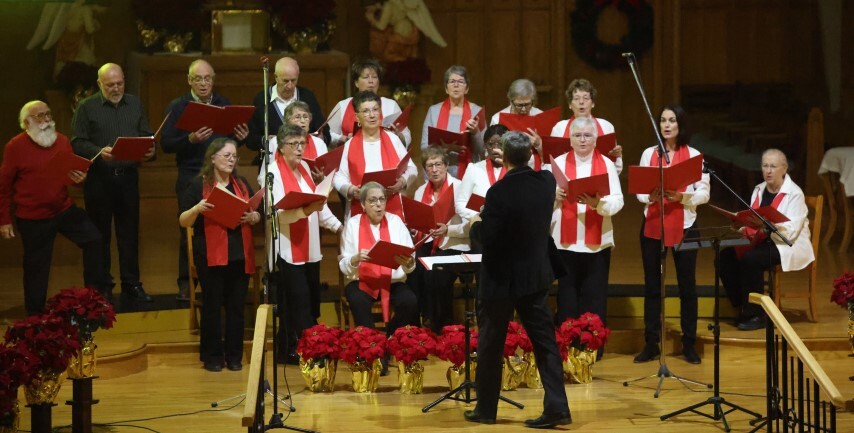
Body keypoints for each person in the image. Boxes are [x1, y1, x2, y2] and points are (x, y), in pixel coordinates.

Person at [465, 131, 571, 428]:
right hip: (535, 277)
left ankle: (486, 409)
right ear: (529, 155)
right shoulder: (546, 182)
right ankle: (558, 407)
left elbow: (488, 236)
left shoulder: (498, 192)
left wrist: (475, 223)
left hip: (501, 280)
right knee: (545, 343)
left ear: (504, 158)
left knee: (491, 345)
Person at [0, 100, 109, 314]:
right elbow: (3, 186)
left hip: (63, 208)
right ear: (26, 123)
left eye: (48, 114)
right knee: (36, 267)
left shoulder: (62, 141)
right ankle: (35, 316)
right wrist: (3, 220)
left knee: (95, 240)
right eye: (40, 116)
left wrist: (80, 179)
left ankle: (94, 298)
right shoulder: (15, 146)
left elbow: (70, 178)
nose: (47, 119)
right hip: (32, 216)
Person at [161, 59, 249, 301]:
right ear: (189, 80)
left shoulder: (224, 104)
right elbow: (165, 144)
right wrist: (189, 139)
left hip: (221, 176)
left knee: (223, 225)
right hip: (191, 175)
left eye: (207, 78)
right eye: (198, 79)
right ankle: (186, 283)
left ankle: (223, 277)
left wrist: (241, 137)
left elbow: (230, 142)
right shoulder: (178, 106)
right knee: (189, 230)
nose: (203, 83)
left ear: (213, 80)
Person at [71, 63, 155, 302]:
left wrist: (151, 150)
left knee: (129, 234)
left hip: (128, 178)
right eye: (110, 85)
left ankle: (131, 284)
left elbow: (146, 135)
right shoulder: (86, 107)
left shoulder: (135, 104)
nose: (116, 88)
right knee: (99, 235)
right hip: (99, 180)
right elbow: (77, 142)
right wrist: (99, 151)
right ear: (99, 84)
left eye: (119, 83)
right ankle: (101, 286)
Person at [634, 104, 710, 365]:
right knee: (652, 286)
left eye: (672, 121)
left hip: (685, 224)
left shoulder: (694, 155)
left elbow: (704, 192)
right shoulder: (649, 153)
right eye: (663, 120)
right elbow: (639, 190)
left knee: (687, 286)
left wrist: (683, 197)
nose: (666, 125)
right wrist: (650, 196)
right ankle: (651, 343)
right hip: (654, 222)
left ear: (681, 125)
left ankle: (689, 343)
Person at [260, 124, 342, 363]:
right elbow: (276, 216)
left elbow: (319, 206)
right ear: (280, 148)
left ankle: (288, 350)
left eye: (302, 144)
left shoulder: (305, 168)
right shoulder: (272, 174)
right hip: (287, 249)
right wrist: (303, 211)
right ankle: (313, 352)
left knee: (304, 301)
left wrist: (339, 227)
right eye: (293, 144)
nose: (299, 149)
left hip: (310, 247)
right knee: (298, 301)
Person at [179, 138, 260, 372]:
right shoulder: (198, 185)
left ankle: (234, 356)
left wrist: (253, 217)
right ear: (212, 158)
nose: (231, 160)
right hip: (211, 255)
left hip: (239, 254)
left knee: (236, 307)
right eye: (226, 155)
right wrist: (197, 208)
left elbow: (255, 212)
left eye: (234, 156)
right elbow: (183, 220)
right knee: (213, 306)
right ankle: (213, 356)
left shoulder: (241, 184)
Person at [720, 149, 814, 330]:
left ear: (784, 168)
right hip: (761, 239)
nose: (768, 171)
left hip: (786, 244)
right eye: (765, 166)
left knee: (751, 259)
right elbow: (752, 222)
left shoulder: (795, 193)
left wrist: (768, 224)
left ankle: (756, 314)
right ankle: (742, 306)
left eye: (773, 166)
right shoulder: (759, 189)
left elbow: (792, 232)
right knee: (725, 257)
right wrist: (739, 224)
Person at [548, 117, 623, 338]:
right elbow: (542, 203)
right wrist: (554, 198)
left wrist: (597, 203)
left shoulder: (607, 165)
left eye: (587, 135)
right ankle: (568, 347)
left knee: (594, 298)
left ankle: (592, 348)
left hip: (597, 244)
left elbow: (618, 202)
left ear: (595, 139)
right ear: (570, 139)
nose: (582, 140)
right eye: (577, 135)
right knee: (567, 299)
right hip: (565, 243)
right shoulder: (557, 164)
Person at [339, 181, 418, 335]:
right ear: (363, 204)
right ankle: (372, 343)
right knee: (358, 301)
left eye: (382, 199)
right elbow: (344, 264)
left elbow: (410, 259)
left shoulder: (396, 222)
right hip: (361, 281)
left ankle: (390, 337)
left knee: (410, 302)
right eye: (372, 200)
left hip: (392, 281)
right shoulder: (353, 224)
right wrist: (355, 259)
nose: (378, 204)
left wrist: (409, 263)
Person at [409, 147, 470, 332]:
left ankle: (442, 325)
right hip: (429, 243)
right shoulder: (420, 191)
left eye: (438, 164)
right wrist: (415, 228)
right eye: (429, 166)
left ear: (446, 165)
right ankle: (418, 324)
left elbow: (471, 226)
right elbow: (419, 221)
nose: (434, 170)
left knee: (435, 272)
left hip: (455, 244)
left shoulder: (460, 187)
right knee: (412, 268)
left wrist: (448, 230)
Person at [332, 91, 417, 220]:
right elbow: (339, 177)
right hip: (360, 211)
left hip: (391, 211)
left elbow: (412, 168)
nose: (372, 115)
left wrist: (401, 182)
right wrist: (351, 190)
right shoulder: (350, 145)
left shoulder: (393, 139)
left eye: (375, 110)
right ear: (357, 117)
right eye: (366, 111)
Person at [247, 57, 329, 152]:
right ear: (276, 77)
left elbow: (324, 131)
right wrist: (266, 141)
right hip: (273, 157)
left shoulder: (307, 97)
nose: (290, 86)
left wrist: (320, 138)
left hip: (304, 156)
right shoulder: (262, 99)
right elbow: (250, 139)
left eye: (293, 80)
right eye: (285, 81)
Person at [327, 59, 411, 149]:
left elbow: (406, 134)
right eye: (366, 77)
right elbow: (327, 133)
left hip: (385, 154)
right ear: (356, 83)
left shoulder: (391, 105)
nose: (371, 81)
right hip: (351, 154)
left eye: (374, 77)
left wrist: (399, 136)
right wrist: (341, 139)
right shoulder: (343, 105)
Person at [420, 65, 484, 179]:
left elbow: (482, 149)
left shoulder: (476, 111)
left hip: (469, 173)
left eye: (460, 81)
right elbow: (424, 147)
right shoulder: (434, 111)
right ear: (446, 88)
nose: (456, 85)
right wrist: (446, 149)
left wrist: (475, 132)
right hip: (437, 173)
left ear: (467, 88)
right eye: (452, 81)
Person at [551, 78, 623, 174]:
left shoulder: (606, 126)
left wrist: (617, 156)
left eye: (586, 98)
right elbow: (552, 165)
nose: (581, 102)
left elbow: (615, 170)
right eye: (576, 98)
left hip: (600, 180)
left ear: (593, 103)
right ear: (569, 104)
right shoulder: (560, 128)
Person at [455, 124, 508, 225]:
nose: (495, 149)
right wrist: (478, 216)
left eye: (500, 144)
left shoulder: (515, 170)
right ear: (485, 146)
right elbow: (460, 203)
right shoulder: (474, 169)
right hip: (481, 227)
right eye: (490, 144)